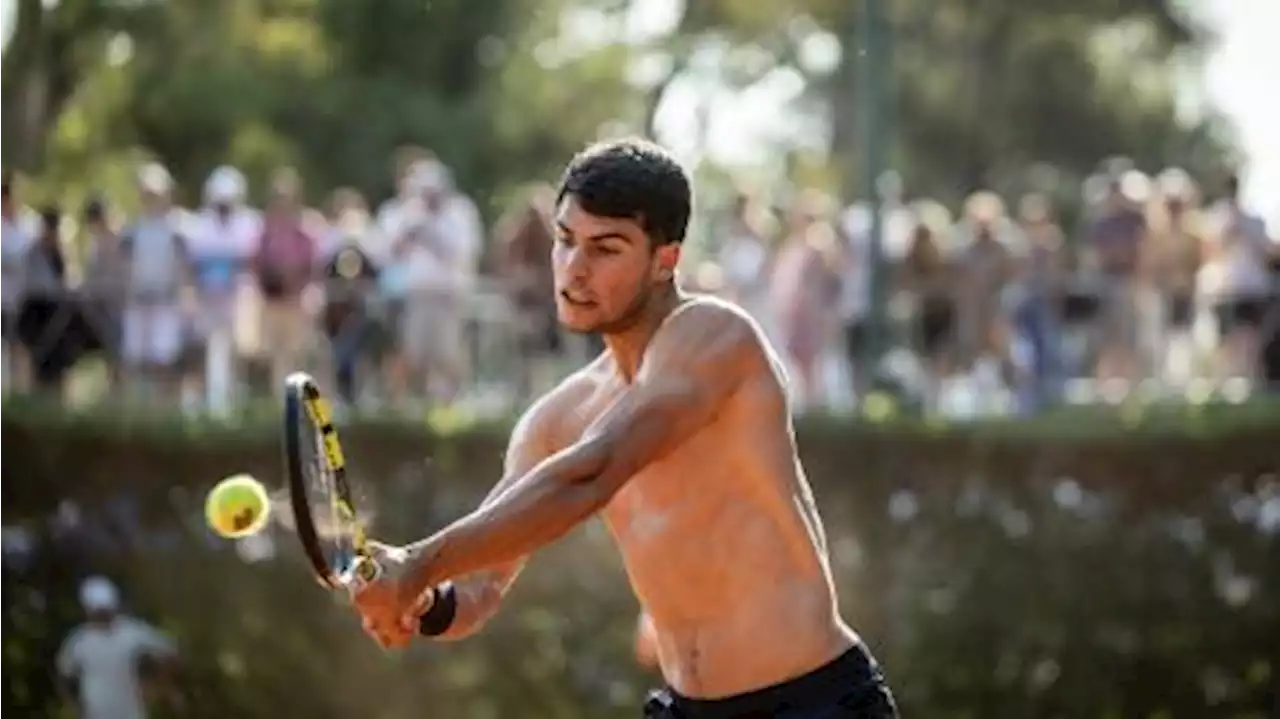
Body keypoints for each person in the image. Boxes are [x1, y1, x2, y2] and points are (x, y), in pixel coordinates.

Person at [352, 138, 899, 718]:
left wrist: (417, 565)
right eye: (564, 240)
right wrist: (420, 601)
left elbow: (595, 473)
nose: (574, 269)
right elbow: (480, 590)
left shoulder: (714, 336)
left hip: (815, 703)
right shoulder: (558, 415)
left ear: (665, 260)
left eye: (605, 249)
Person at [55, 576, 179, 719]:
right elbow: (64, 676)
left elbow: (170, 653)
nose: (102, 614)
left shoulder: (132, 631)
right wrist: (74, 707)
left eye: (105, 609)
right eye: (97, 610)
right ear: (87, 609)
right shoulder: (78, 641)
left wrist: (156, 687)